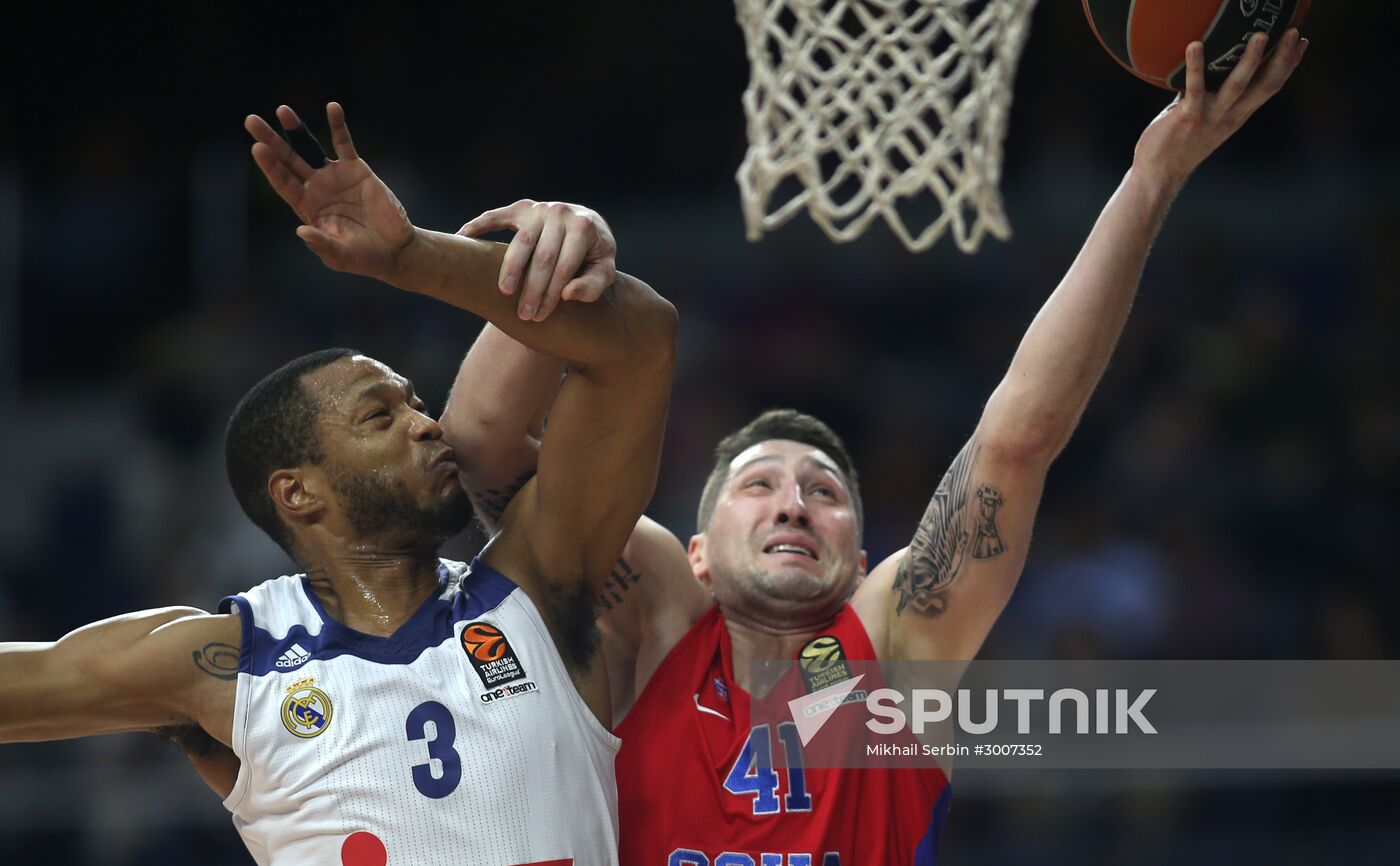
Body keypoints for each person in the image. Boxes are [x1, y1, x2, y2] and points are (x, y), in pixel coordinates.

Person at [443, 33, 1309, 865]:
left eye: (823, 489)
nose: (792, 501)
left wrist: (1152, 177)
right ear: (698, 555)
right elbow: (481, 446)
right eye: (759, 484)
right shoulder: (661, 626)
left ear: (860, 561)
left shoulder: (883, 651)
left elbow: (1017, 439)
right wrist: (556, 256)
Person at [0, 103, 677, 866]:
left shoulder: (541, 587)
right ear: (298, 493)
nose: (426, 426)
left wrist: (413, 258)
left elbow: (640, 341)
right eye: (379, 416)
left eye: (418, 405)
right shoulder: (222, 660)